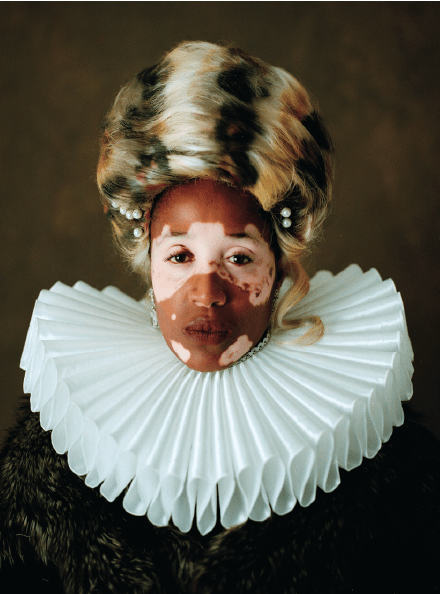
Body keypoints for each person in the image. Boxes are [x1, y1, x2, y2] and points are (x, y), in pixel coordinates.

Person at [1, 41, 439, 593]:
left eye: (238, 258)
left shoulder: (376, 463)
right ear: (147, 260)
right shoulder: (57, 454)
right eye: (179, 257)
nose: (207, 294)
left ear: (279, 266)